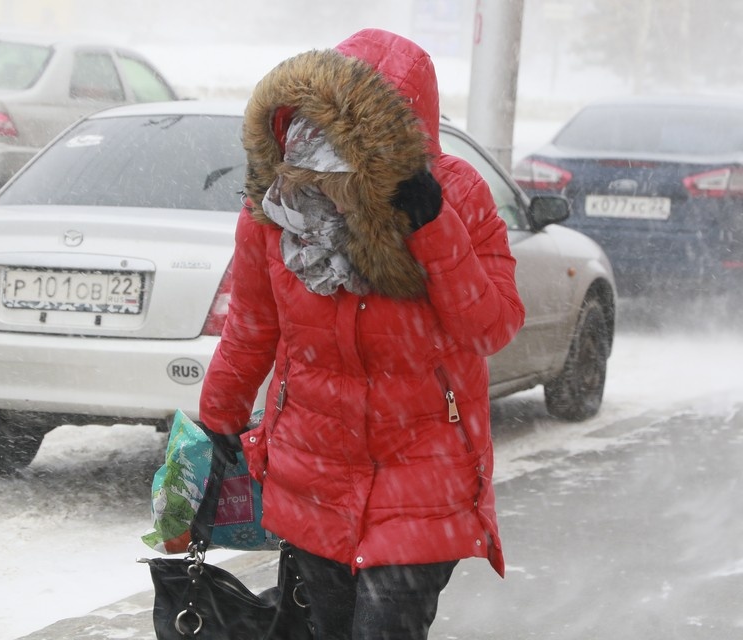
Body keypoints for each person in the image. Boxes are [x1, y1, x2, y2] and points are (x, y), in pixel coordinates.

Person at [199, 28, 525, 640]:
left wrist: (433, 228)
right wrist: (216, 425)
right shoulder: (276, 208)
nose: (329, 175)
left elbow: (491, 329)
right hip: (312, 471)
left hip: (424, 478)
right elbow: (250, 330)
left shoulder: (458, 198)